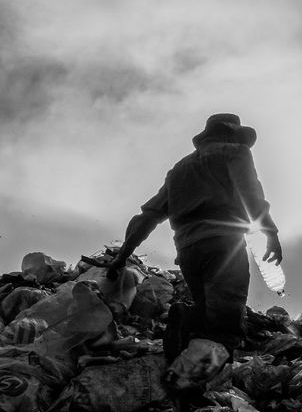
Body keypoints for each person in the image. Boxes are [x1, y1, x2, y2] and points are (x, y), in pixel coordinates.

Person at [107, 113, 282, 354]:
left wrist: (122, 256)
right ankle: (209, 357)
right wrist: (270, 233)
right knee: (226, 320)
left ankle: (187, 324)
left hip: (187, 251)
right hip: (223, 245)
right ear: (229, 134)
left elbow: (149, 215)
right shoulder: (235, 152)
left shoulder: (179, 169)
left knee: (207, 309)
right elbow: (251, 194)